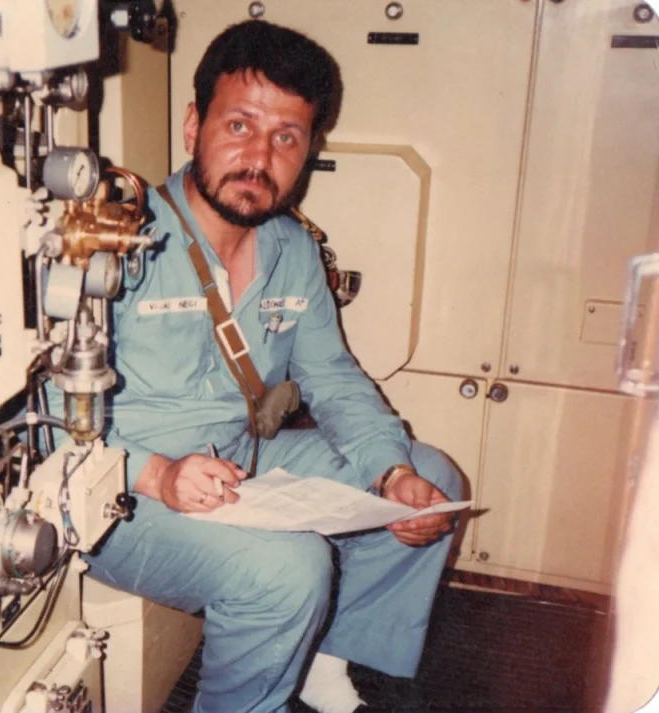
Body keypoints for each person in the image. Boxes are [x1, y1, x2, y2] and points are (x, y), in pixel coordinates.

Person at [80, 19, 463, 713]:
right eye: (240, 126)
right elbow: (42, 420)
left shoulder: (292, 248)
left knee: (431, 477)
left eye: (286, 136)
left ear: (308, 150)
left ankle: (323, 655)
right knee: (290, 568)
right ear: (194, 126)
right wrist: (158, 472)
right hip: (120, 493)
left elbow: (334, 377)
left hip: (235, 463)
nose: (259, 156)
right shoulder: (115, 242)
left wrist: (391, 468)